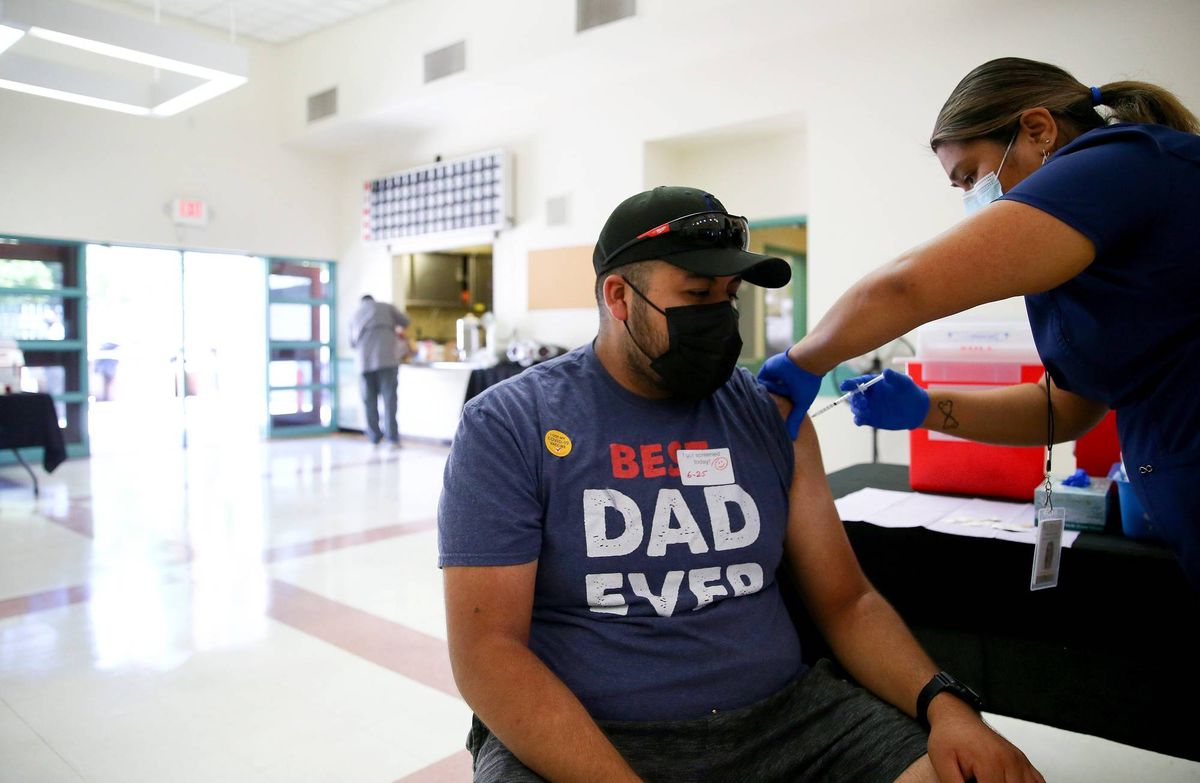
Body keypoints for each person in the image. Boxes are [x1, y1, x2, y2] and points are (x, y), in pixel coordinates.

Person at [439, 186, 1043, 782]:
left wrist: (946, 707)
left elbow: (847, 600)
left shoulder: (769, 416)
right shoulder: (510, 425)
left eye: (729, 296)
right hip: (590, 734)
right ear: (619, 297)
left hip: (790, 722)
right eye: (697, 293)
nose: (721, 317)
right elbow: (488, 652)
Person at [759, 57, 1200, 590]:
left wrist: (801, 361)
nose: (974, 198)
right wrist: (925, 408)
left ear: (1038, 130)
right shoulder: (1088, 257)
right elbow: (1064, 408)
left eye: (971, 175)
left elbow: (904, 287)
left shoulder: (1118, 165)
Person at [349, 294, 410, 447]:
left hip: (364, 363)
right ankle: (392, 438)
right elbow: (406, 322)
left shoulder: (355, 314)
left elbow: (351, 343)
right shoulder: (386, 307)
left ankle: (374, 437)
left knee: (369, 401)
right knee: (389, 400)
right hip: (387, 360)